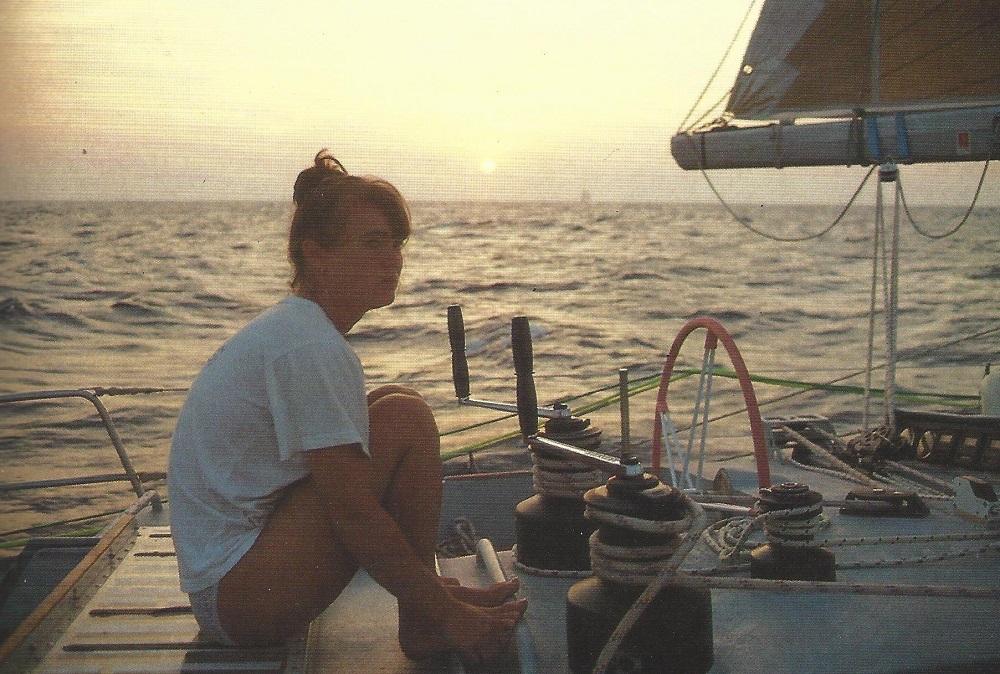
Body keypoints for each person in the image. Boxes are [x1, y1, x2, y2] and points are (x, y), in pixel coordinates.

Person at [167, 149, 527, 665]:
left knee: (396, 403)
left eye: (396, 243)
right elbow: (352, 513)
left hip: (234, 586)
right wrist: (451, 615)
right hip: (242, 601)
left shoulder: (298, 330)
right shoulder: (309, 345)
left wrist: (431, 591)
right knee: (404, 419)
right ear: (316, 254)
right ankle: (429, 620)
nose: (393, 259)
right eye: (373, 243)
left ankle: (425, 608)